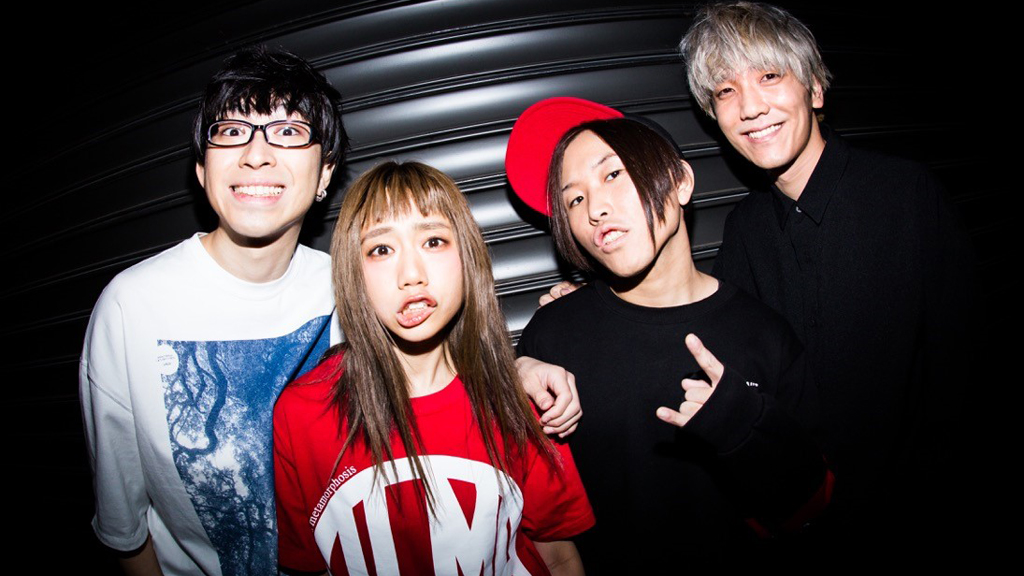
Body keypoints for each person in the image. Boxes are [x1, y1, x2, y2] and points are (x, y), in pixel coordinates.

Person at [80, 47, 579, 576]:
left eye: (288, 131)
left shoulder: (357, 283)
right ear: (201, 168)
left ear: (325, 175)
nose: (256, 153)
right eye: (231, 131)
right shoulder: (132, 307)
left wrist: (519, 369)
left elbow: (443, 363)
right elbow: (124, 525)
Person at [679, 1, 977, 558]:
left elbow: (961, 366)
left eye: (770, 76)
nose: (750, 107)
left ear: (814, 88)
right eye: (725, 91)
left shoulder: (905, 194)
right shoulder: (745, 230)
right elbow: (718, 352)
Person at [505, 97, 831, 572]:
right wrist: (511, 376)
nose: (595, 208)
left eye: (613, 174)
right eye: (574, 199)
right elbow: (530, 511)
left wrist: (747, 428)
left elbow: (814, 509)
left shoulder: (763, 334)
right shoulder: (553, 334)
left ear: (680, 182)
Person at [273, 161, 594, 576]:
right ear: (353, 273)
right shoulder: (302, 414)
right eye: (381, 249)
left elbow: (559, 556)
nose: (411, 275)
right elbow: (307, 565)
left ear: (467, 257)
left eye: (434, 241)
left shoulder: (522, 403)